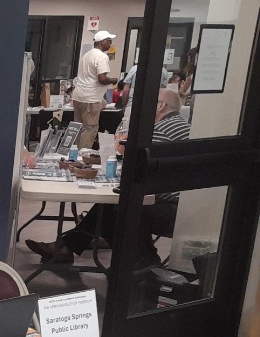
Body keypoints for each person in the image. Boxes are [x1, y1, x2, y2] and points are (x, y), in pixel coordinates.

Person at [27, 88, 191, 267]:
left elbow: (137, 170)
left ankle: (143, 264)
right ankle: (69, 247)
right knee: (111, 206)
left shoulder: (158, 130)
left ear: (161, 106)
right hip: (187, 205)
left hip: (172, 209)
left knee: (116, 210)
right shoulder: (183, 126)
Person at [71, 30, 119, 149]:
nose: (110, 44)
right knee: (90, 128)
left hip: (77, 96)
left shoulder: (86, 55)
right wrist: (113, 80)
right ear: (103, 42)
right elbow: (102, 79)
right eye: (109, 41)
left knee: (79, 127)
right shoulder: (102, 57)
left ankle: (74, 153)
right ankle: (82, 157)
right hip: (90, 98)